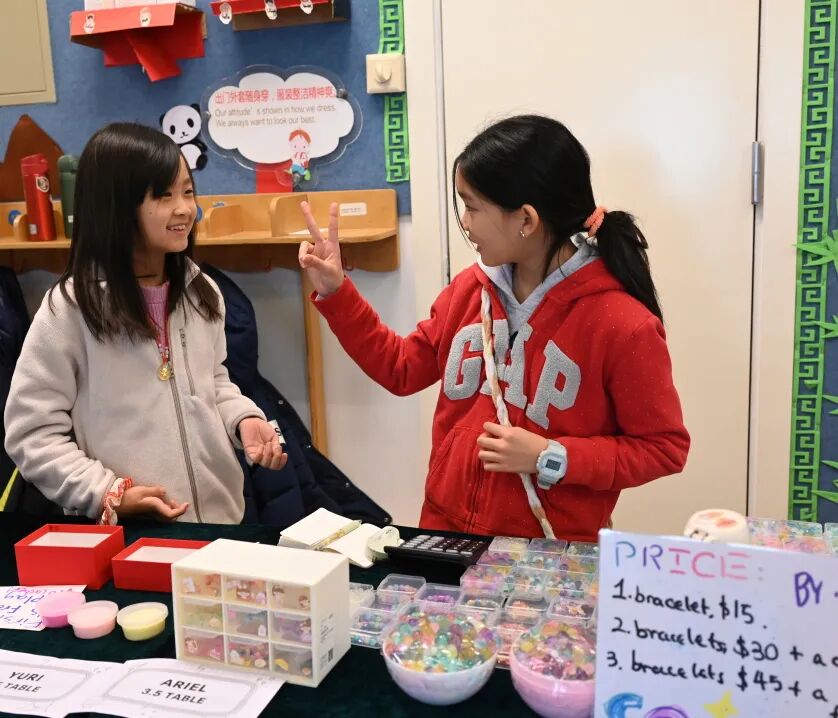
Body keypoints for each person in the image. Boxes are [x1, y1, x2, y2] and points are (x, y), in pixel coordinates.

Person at [298, 115, 689, 541]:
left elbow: (663, 448)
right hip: (446, 536)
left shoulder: (623, 324)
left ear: (526, 220)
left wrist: (552, 456)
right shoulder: (470, 289)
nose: (465, 222)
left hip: (547, 556)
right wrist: (336, 292)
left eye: (472, 206)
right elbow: (401, 368)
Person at [4, 122, 286, 525]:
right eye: (164, 196)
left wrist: (244, 418)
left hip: (220, 524)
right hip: (128, 534)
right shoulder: (70, 309)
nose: (184, 209)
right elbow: (31, 433)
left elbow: (212, 381)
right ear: (116, 207)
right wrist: (105, 492)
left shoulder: (201, 291)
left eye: (187, 192)